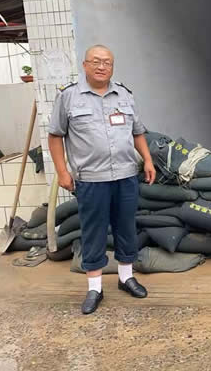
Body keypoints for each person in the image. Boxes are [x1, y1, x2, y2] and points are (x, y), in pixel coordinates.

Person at [48, 44, 157, 315]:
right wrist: (62, 172)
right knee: (94, 231)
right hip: (91, 179)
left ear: (112, 67)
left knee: (126, 227)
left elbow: (137, 132)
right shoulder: (69, 97)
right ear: (85, 65)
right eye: (96, 61)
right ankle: (95, 288)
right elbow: (55, 136)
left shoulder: (124, 95)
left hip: (125, 175)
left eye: (107, 62)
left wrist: (147, 159)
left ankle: (126, 277)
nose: (101, 66)